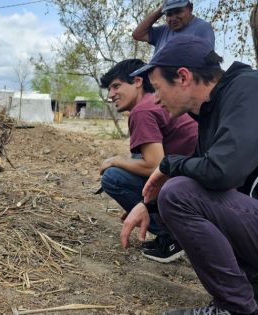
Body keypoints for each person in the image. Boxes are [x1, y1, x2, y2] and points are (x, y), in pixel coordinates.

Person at [123, 34, 258, 315]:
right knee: (179, 191)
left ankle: (234, 309)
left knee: (178, 194)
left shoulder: (247, 88)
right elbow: (202, 169)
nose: (156, 99)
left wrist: (169, 164)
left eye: (158, 88)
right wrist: (146, 204)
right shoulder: (212, 109)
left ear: (183, 77)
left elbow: (222, 172)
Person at [98, 59, 198, 263]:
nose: (111, 94)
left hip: (189, 184)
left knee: (113, 177)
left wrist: (116, 160)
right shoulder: (155, 101)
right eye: (109, 89)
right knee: (132, 162)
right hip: (193, 174)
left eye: (116, 86)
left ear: (137, 81)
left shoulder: (143, 110)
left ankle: (173, 237)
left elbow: (154, 165)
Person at [132, 0, 215, 53]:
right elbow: (138, 34)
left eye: (178, 12)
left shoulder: (202, 28)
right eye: (169, 14)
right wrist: (162, 8)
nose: (174, 18)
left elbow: (206, 60)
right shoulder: (163, 31)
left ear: (190, 8)